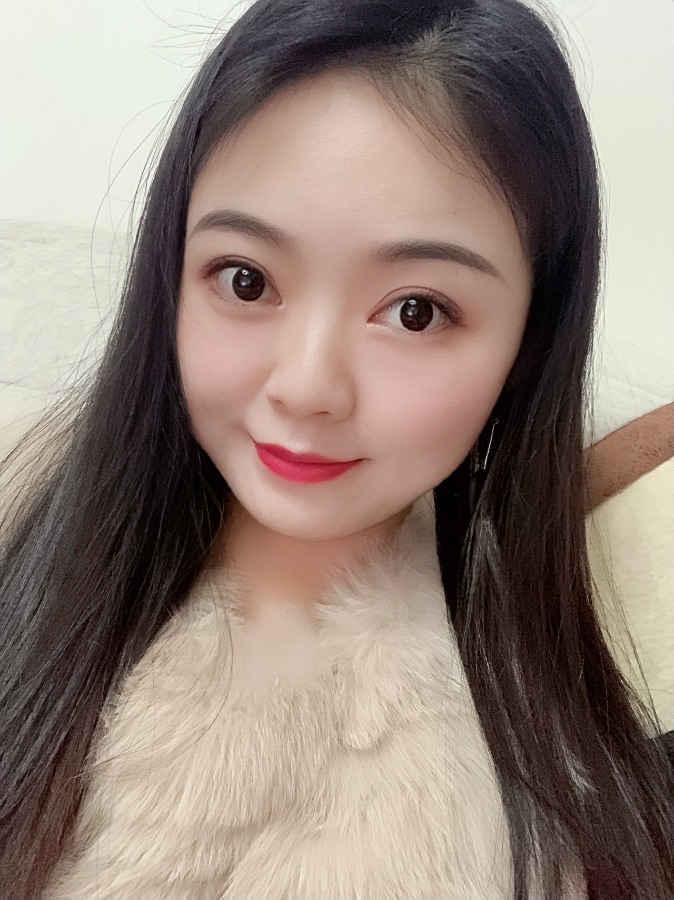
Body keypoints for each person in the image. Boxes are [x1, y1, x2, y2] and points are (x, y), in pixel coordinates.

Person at [1, 0, 672, 897]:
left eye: (416, 312)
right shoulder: (21, 494)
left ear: (529, 342)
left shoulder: (513, 815)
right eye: (246, 280)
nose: (308, 385)